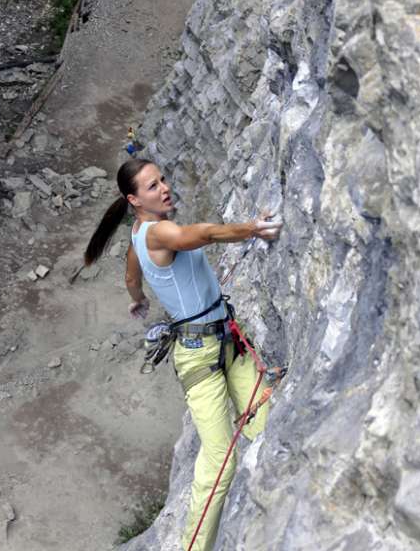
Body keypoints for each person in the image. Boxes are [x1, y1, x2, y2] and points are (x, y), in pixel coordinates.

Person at [84, 158, 281, 550]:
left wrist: (138, 301)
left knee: (267, 422)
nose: (165, 188)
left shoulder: (137, 239)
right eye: (153, 186)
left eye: (163, 179)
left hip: (226, 341)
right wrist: (251, 229)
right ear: (134, 200)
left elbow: (131, 277)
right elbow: (203, 234)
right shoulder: (158, 233)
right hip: (200, 356)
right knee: (220, 460)